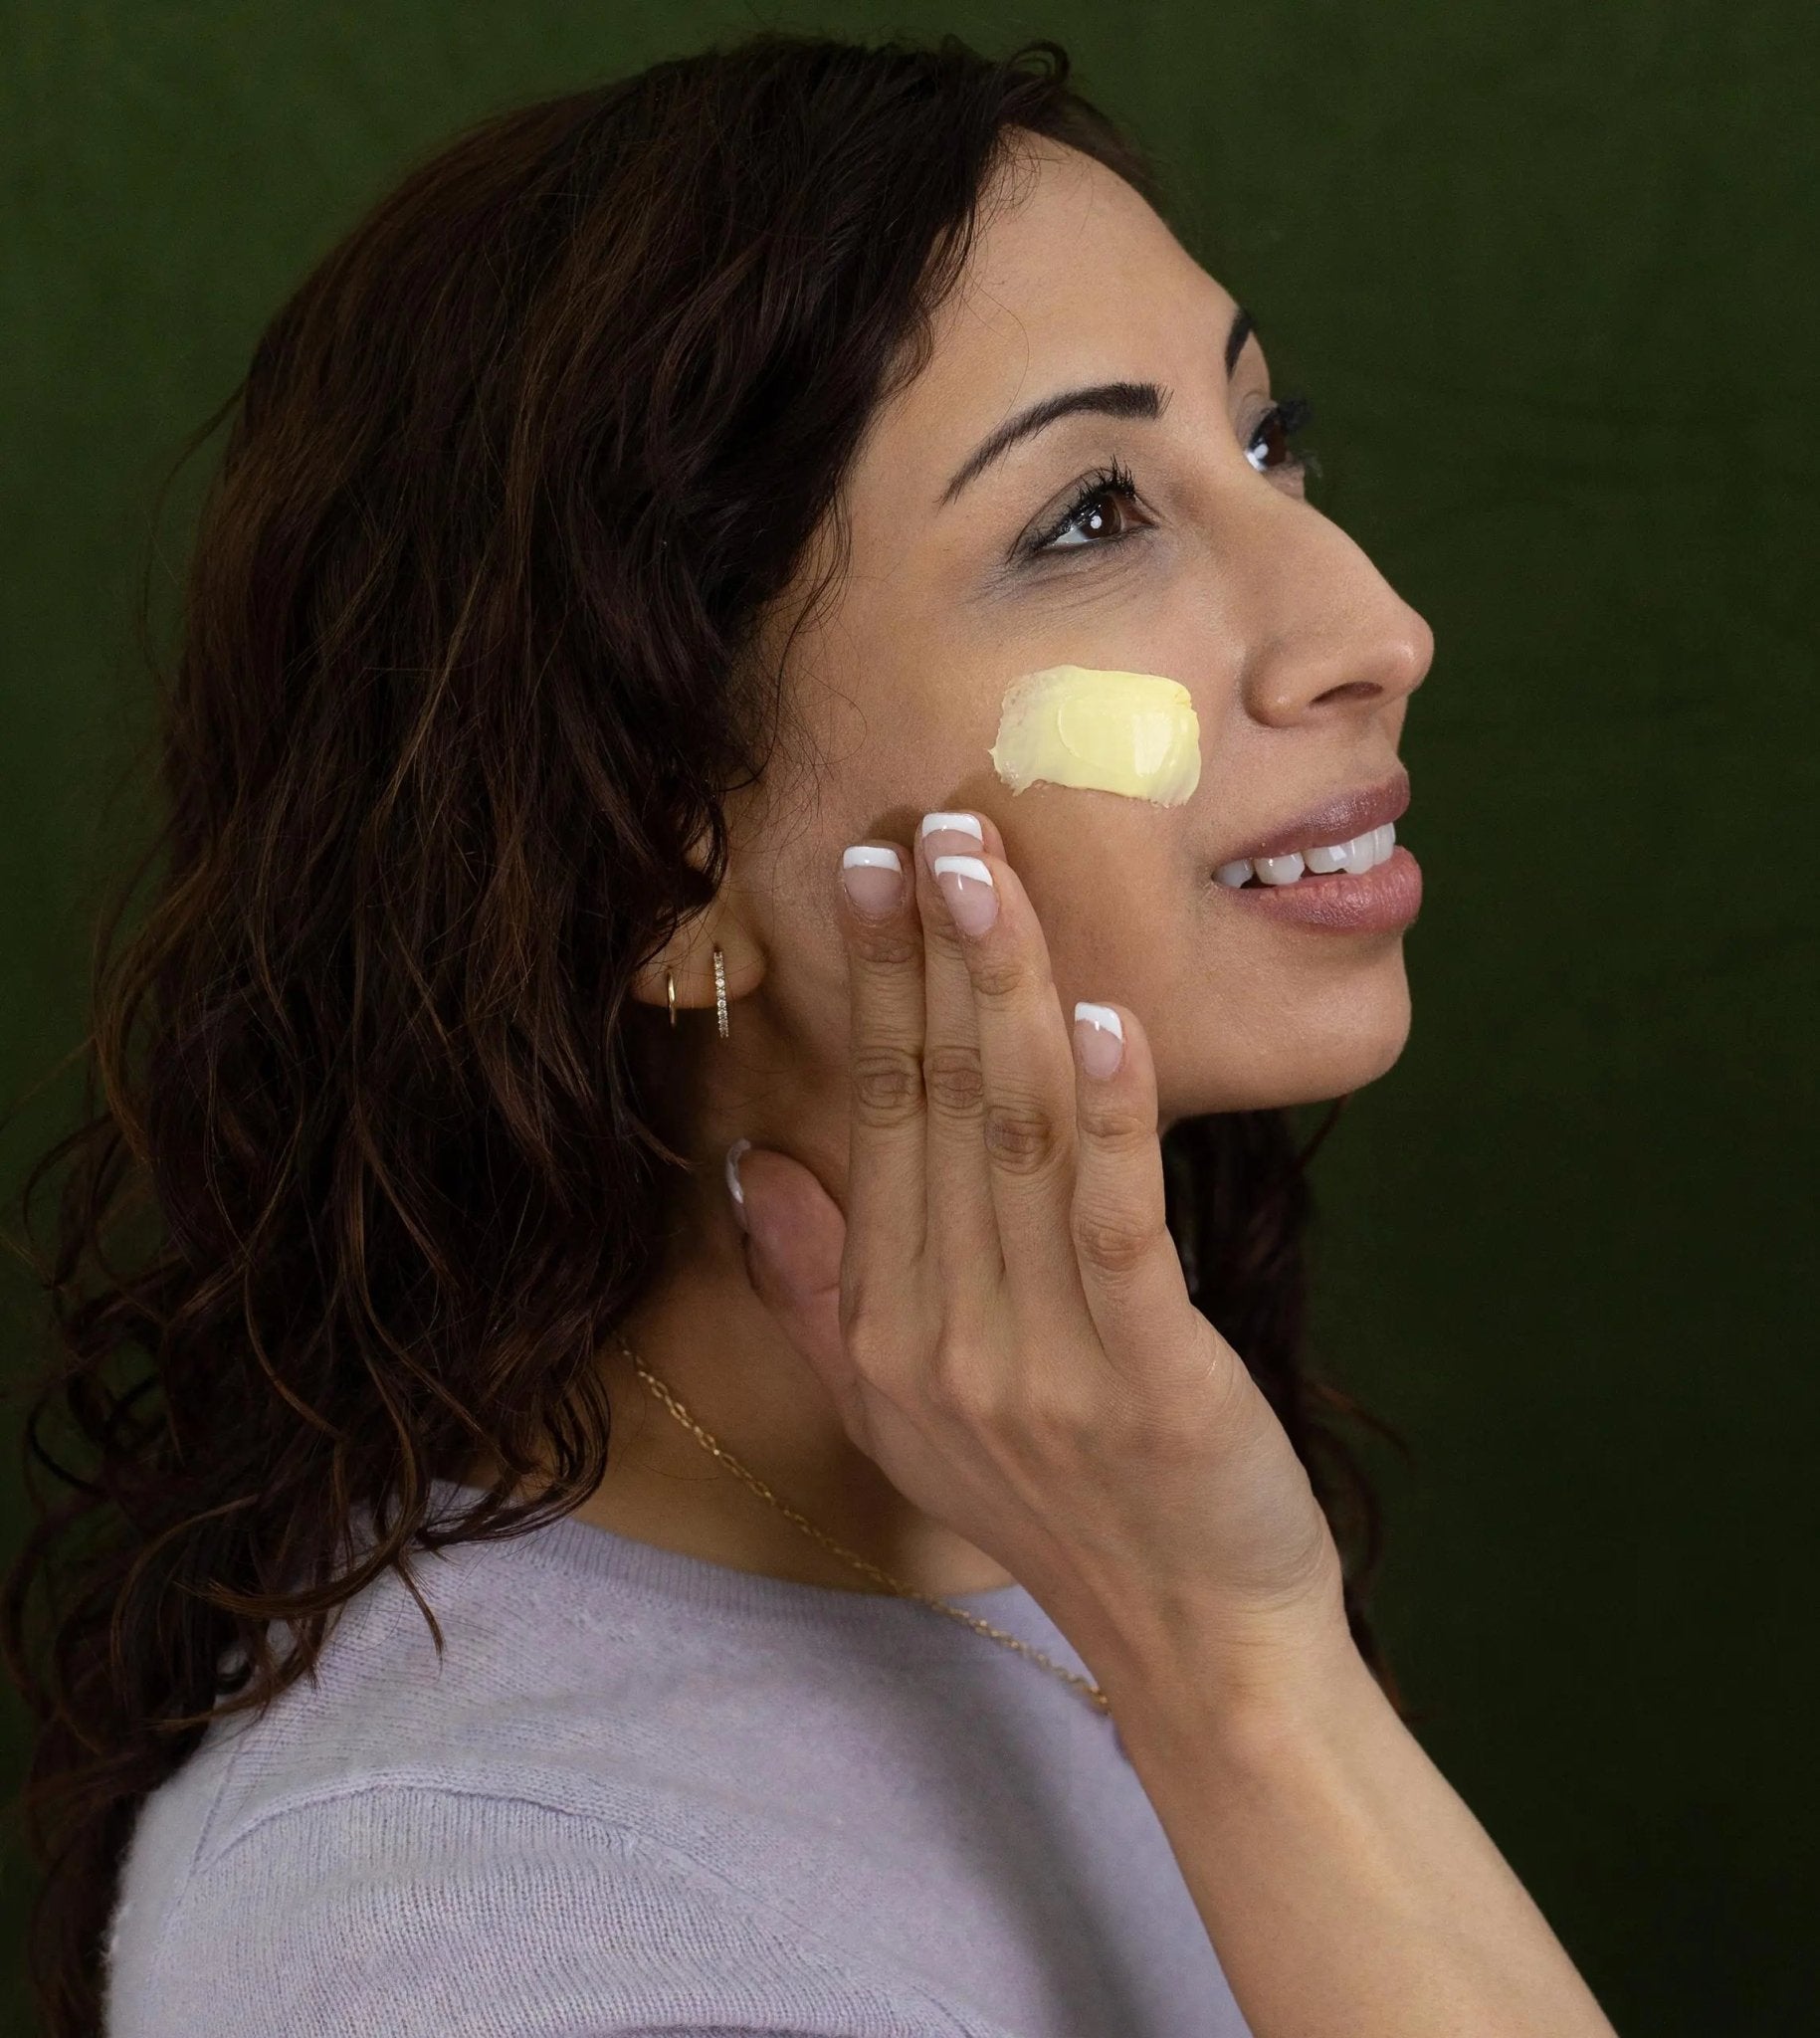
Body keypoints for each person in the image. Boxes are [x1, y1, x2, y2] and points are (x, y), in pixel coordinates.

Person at [3, 30, 1618, 2038]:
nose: (1373, 621)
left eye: (1269, 444)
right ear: (656, 852)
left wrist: (1241, 1662)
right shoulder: (469, 1922)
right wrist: (1239, 1678)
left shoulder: (1078, 1520)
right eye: (1093, 514)